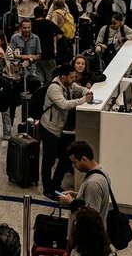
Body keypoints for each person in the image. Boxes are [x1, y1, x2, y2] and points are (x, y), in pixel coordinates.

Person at [40, 64, 94, 200]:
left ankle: (56, 185)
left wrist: (87, 92)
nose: (74, 79)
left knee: (65, 157)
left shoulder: (68, 85)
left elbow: (80, 89)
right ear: (63, 77)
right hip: (49, 128)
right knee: (49, 161)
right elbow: (64, 104)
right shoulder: (54, 88)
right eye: (71, 77)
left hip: (59, 128)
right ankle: (47, 190)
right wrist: (83, 100)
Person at [58, 140, 111, 227]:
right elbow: (96, 197)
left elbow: (90, 219)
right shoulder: (102, 172)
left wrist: (71, 202)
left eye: (75, 162)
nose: (73, 166)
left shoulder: (93, 183)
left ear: (83, 159)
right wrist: (76, 194)